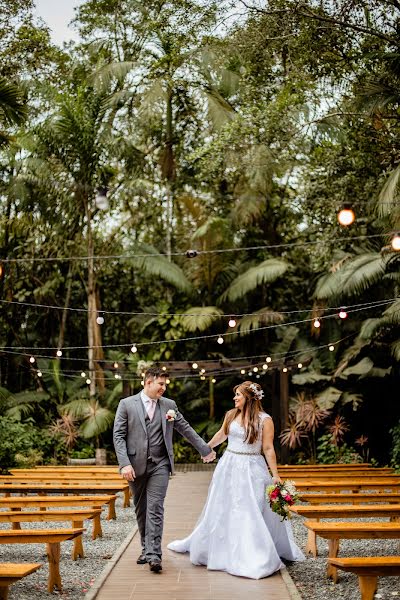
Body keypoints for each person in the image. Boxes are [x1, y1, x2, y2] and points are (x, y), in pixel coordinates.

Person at [167, 380, 305, 579]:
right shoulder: (231, 415)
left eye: (238, 395)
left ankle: (251, 554)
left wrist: (275, 475)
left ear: (248, 398)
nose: (235, 398)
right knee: (223, 507)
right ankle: (222, 550)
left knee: (249, 510)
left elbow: (267, 448)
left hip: (252, 470)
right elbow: (222, 434)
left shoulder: (265, 420)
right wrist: (206, 448)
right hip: (228, 467)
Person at [113, 366, 216, 573]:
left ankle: (154, 555)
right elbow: (118, 436)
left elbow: (185, 428)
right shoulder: (126, 404)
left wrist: (205, 449)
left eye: (165, 384)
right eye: (161, 384)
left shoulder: (169, 405)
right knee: (141, 509)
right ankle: (146, 549)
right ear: (148, 382)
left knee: (155, 508)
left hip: (160, 464)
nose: (164, 388)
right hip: (134, 466)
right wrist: (124, 463)